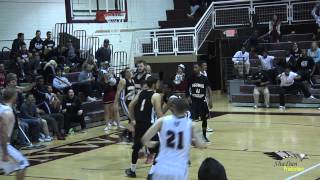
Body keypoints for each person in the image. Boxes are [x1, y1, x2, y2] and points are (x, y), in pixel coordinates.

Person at [141, 97, 205, 180]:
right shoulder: (191, 125)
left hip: (161, 168)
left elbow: (144, 139)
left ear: (172, 108)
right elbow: (200, 145)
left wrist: (155, 145)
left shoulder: (162, 121)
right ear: (185, 110)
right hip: (179, 170)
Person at [125, 77, 163, 178]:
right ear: (154, 84)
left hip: (138, 124)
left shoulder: (140, 92)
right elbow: (159, 114)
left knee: (137, 147)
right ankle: (151, 173)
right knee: (160, 148)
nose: (159, 84)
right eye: (158, 82)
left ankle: (132, 170)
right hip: (149, 125)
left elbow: (130, 106)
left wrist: (132, 120)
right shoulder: (156, 95)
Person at [0, 87, 29, 180]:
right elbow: (3, 133)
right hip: (2, 145)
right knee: (23, 164)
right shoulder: (7, 112)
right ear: (14, 97)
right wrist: (5, 153)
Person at [187, 63, 213, 142]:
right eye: (194, 68)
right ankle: (190, 137)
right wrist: (188, 97)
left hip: (202, 100)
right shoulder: (190, 78)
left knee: (204, 119)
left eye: (196, 67)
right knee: (191, 119)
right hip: (194, 101)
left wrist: (210, 101)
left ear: (199, 68)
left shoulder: (204, 78)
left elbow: (209, 89)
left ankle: (204, 136)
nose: (194, 69)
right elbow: (186, 88)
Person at [113, 68, 135, 141]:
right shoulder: (123, 81)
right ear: (125, 73)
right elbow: (118, 92)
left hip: (132, 101)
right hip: (124, 101)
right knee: (132, 118)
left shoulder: (133, 80)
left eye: (131, 71)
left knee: (131, 118)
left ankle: (126, 133)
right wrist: (115, 103)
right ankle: (129, 135)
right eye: (128, 71)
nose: (130, 72)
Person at [101, 66, 119, 131]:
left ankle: (113, 121)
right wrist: (108, 82)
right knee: (107, 111)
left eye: (112, 70)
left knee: (113, 110)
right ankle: (107, 124)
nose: (111, 71)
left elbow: (116, 88)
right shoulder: (103, 80)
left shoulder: (115, 78)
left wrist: (114, 82)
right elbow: (104, 89)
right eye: (110, 70)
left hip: (113, 96)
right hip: (106, 97)